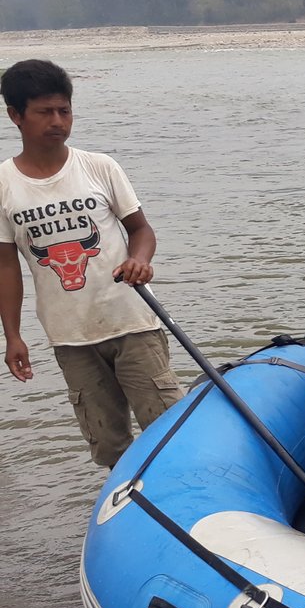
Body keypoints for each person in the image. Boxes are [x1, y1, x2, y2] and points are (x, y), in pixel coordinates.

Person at [0, 58, 182, 468]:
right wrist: (12, 335)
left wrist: (140, 261)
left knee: (169, 428)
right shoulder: (4, 185)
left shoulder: (99, 167)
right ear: (15, 115)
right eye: (44, 112)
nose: (58, 121)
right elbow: (6, 267)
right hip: (70, 336)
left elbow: (141, 229)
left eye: (64, 110)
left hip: (132, 322)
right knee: (108, 444)